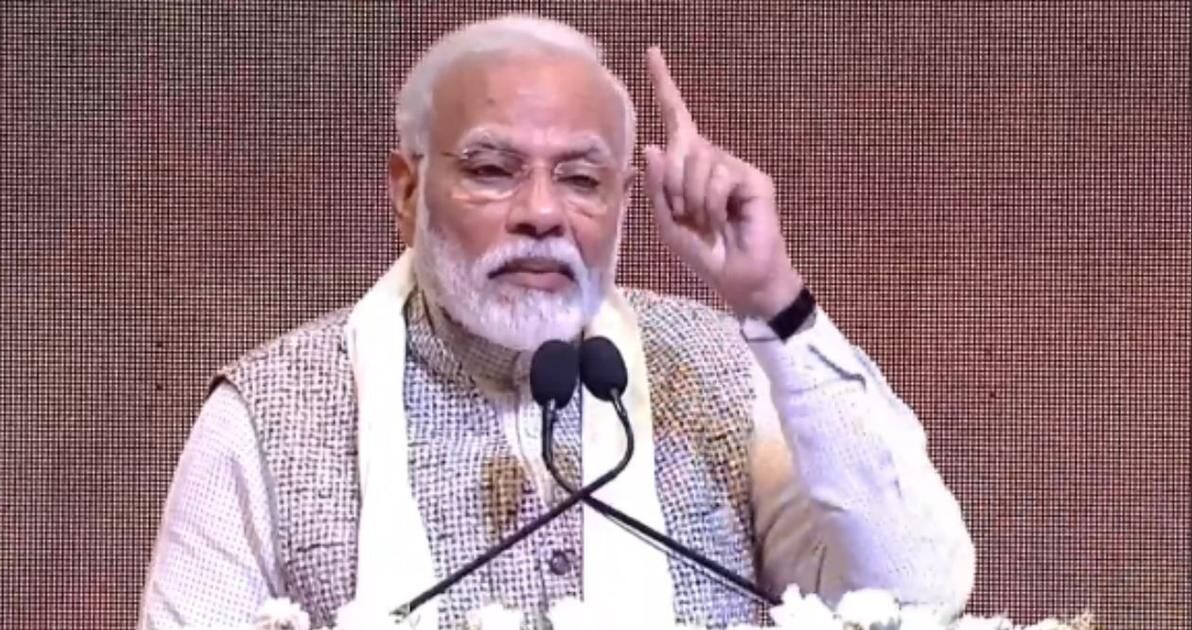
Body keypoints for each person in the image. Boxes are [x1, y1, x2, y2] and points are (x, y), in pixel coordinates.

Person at [137, 14, 975, 630]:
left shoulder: (718, 370)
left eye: (580, 179)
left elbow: (917, 593)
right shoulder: (270, 415)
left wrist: (775, 303)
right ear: (408, 193)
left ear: (622, 205)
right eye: (492, 169)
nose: (542, 213)